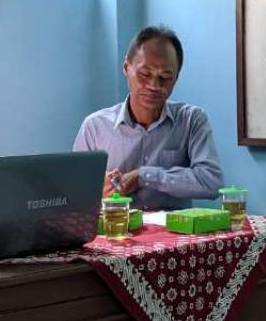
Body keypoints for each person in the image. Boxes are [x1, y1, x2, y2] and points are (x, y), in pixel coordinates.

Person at [73, 25, 223, 212]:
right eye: (144, 74)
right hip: (117, 227)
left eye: (165, 77)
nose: (154, 86)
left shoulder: (191, 120)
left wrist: (144, 176)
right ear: (126, 67)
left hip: (172, 230)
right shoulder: (95, 127)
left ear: (176, 77)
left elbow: (212, 182)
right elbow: (74, 194)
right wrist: (97, 190)